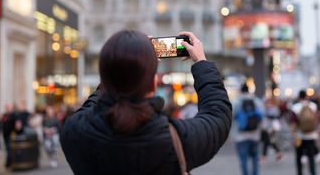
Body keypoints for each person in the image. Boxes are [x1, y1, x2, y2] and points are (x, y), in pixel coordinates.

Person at [60, 30, 232, 175]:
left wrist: (121, 65)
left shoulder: (74, 131)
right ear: (153, 83)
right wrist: (202, 63)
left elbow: (90, 105)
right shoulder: (173, 140)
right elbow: (217, 115)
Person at [232, 83, 264, 175]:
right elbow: (262, 117)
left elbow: (231, 118)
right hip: (255, 135)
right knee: (255, 158)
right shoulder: (257, 101)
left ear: (241, 91)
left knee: (243, 159)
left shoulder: (236, 102)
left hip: (240, 137)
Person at [291, 90, 319, 175]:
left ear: (299, 97)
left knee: (299, 156)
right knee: (311, 157)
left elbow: (293, 123)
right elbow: (316, 119)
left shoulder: (295, 107)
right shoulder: (313, 106)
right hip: (311, 135)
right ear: (306, 96)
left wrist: (293, 135)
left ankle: (300, 172)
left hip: (300, 136)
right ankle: (313, 173)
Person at [261, 97, 282, 164]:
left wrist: (267, 115)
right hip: (266, 128)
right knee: (270, 142)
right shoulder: (265, 109)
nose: (268, 105)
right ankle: (278, 152)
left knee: (267, 142)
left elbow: (275, 116)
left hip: (272, 128)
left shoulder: (274, 109)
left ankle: (263, 157)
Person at [1, 103, 15, 167]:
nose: (7, 109)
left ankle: (8, 163)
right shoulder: (4, 115)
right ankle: (10, 162)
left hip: (10, 135)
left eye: (8, 107)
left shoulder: (13, 115)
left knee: (9, 149)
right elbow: (2, 123)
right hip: (5, 135)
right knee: (7, 149)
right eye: (6, 107)